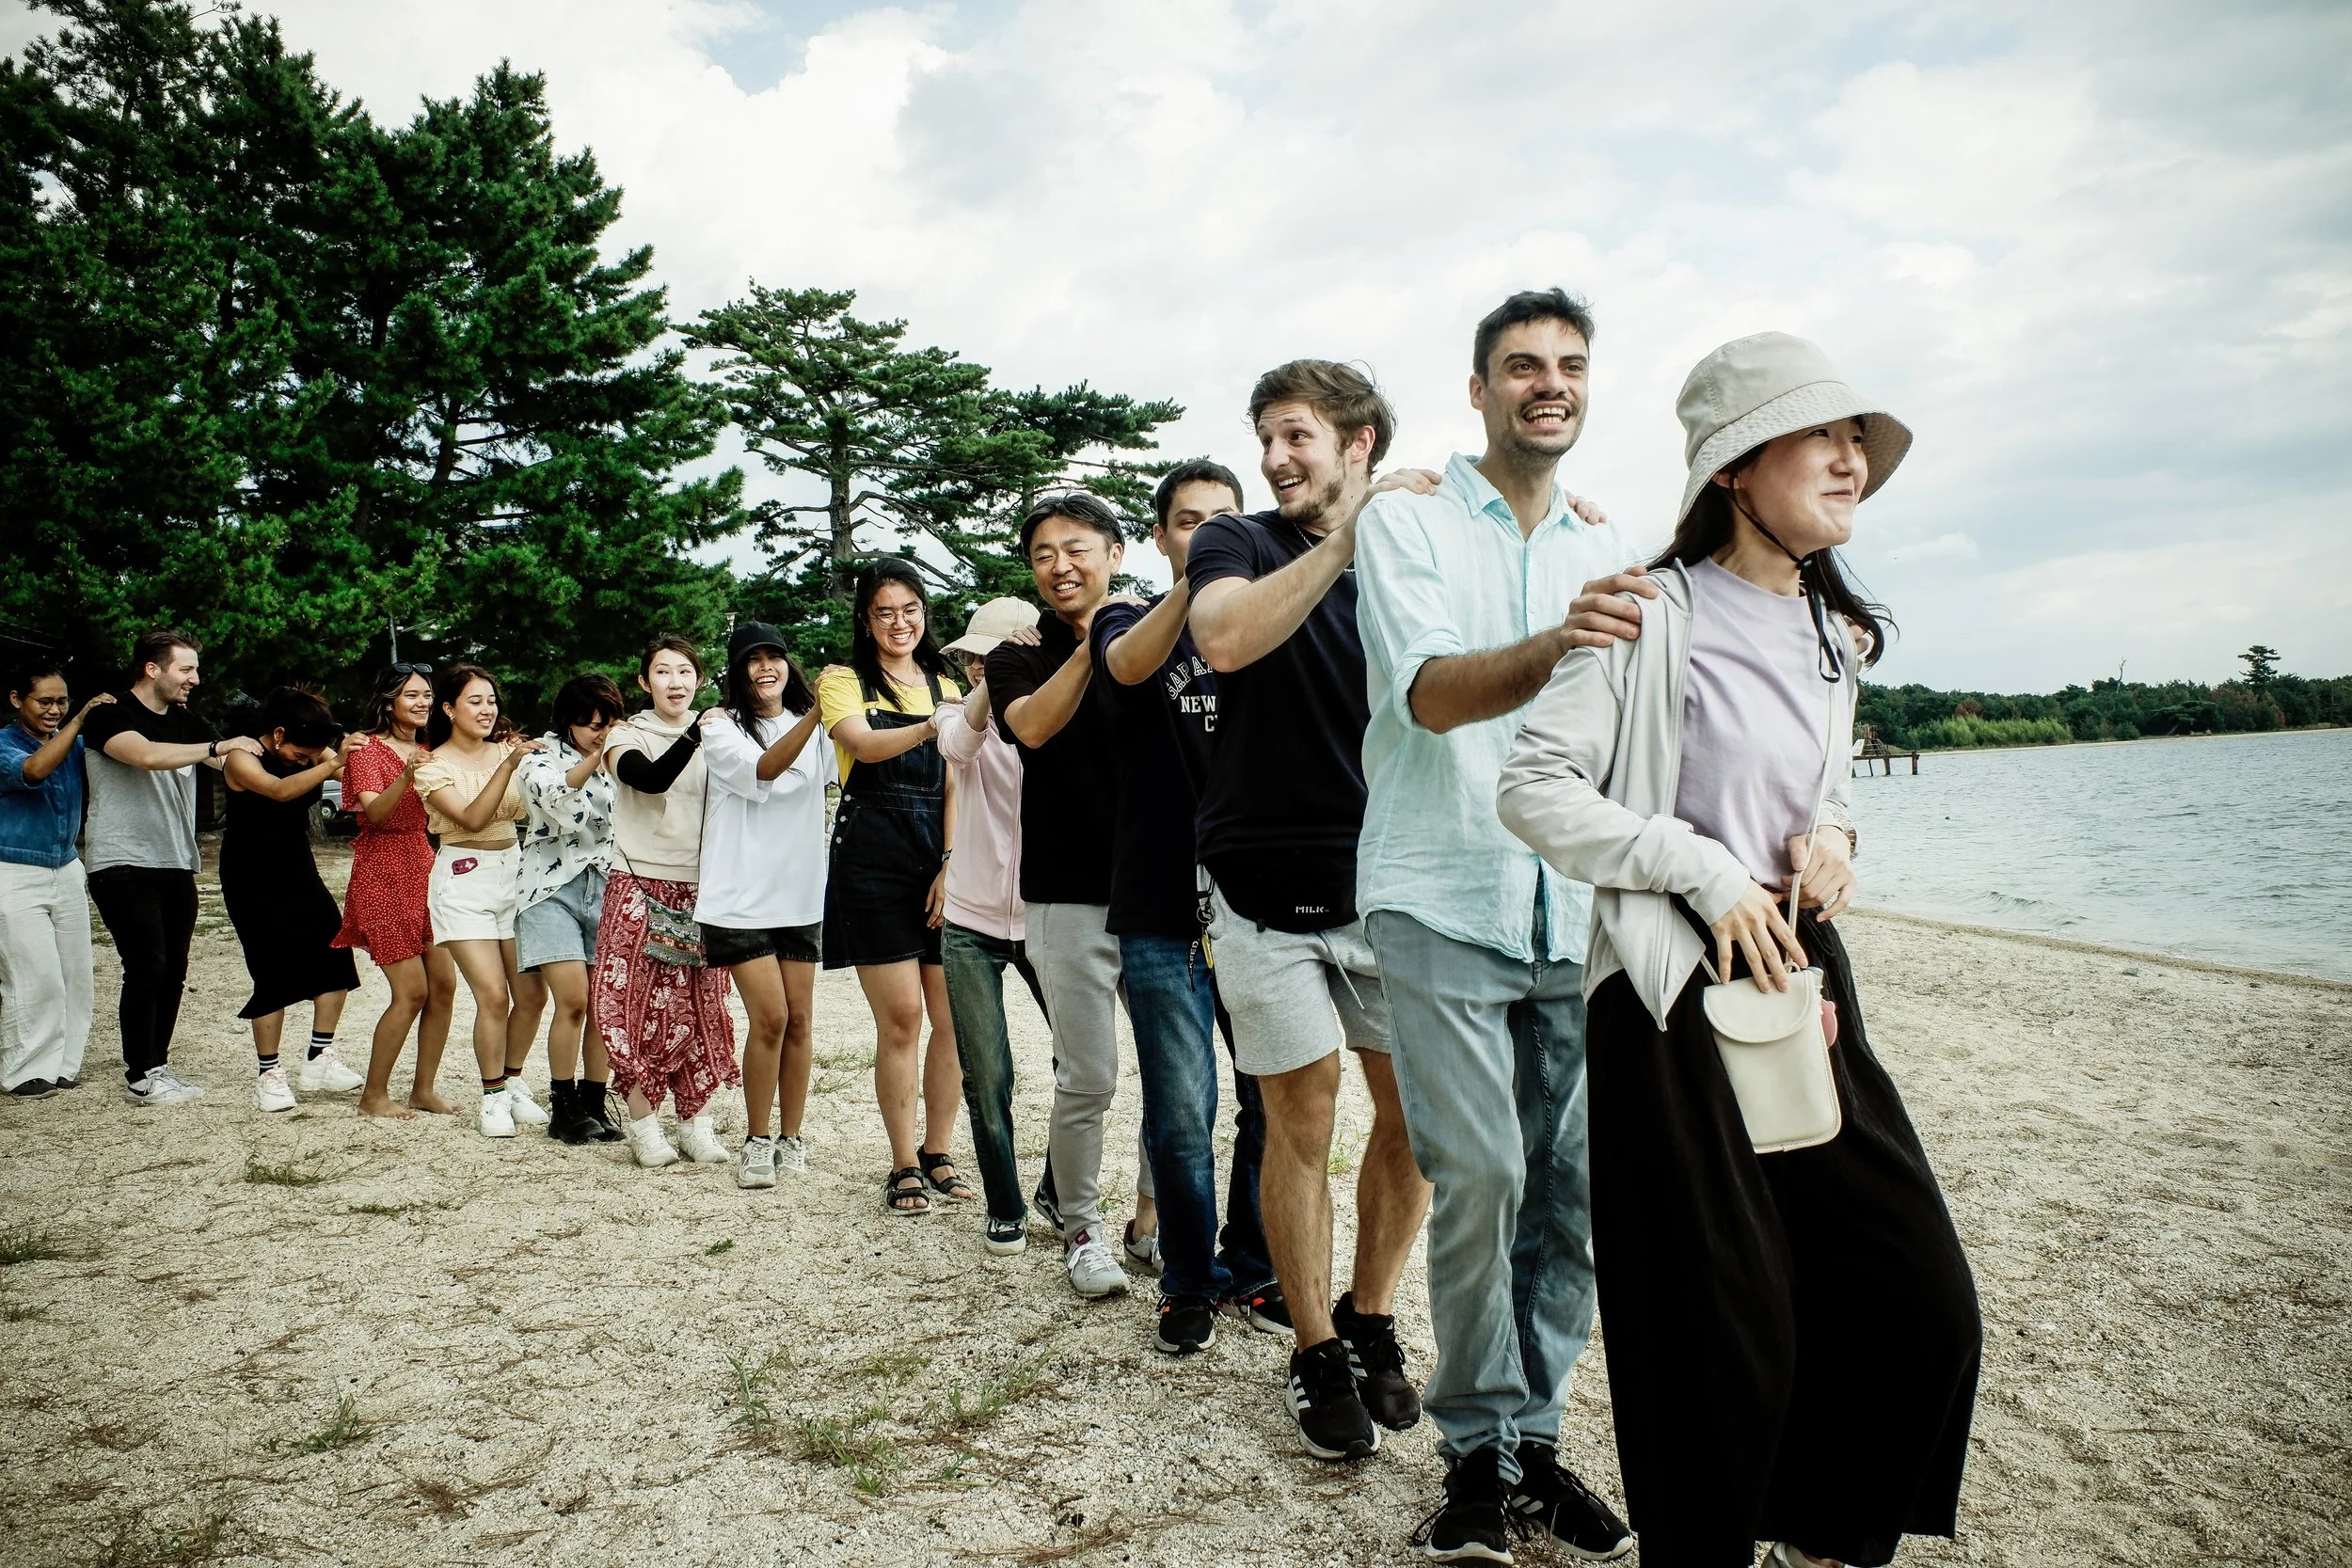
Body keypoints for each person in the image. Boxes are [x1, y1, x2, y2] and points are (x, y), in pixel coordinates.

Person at [1498, 333, 1980, 1568]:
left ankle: (1819, 1534)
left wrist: (1831, 835)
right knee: (1720, 1322)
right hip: (1667, 992)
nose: (1851, 455)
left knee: (1917, 1293)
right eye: (1821, 433)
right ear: (1735, 469)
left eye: (1857, 435)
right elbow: (1535, 790)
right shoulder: (1648, 609)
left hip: (1800, 974)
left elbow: (1814, 790)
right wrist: (1703, 868)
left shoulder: (1838, 634)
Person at [1354, 289, 1639, 1559]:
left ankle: (1538, 1440)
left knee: (1572, 1189)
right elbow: (1426, 693)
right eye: (1523, 365)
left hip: (1573, 906)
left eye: (1570, 366)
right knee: (1483, 1172)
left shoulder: (1606, 538)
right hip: (1439, 886)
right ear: (1477, 389)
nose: (1549, 384)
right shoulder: (1404, 520)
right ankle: (1475, 1456)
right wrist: (1558, 636)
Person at [1184, 361, 1438, 1461]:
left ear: (1360, 442)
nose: (1277, 458)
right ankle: (1313, 1345)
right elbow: (1225, 640)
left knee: (1417, 1117)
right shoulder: (1234, 542)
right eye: (1266, 438)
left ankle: (1373, 1314)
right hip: (1255, 880)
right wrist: (1347, 541)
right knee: (1302, 1116)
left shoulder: (1422, 545)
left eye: (1297, 437)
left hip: (1390, 877)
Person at [1093, 460, 1281, 1354]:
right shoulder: (1129, 617)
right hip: (1160, 899)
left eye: (1223, 520)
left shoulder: (1270, 610)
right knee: (1179, 1106)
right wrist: (1197, 582)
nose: (1204, 531)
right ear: (1162, 534)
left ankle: (1253, 1265)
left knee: (1273, 1100)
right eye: (1187, 521)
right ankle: (1187, 1278)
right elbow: (1126, 668)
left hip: (1261, 898)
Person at [985, 491, 1151, 1300]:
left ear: (1115, 551)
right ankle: (1081, 1225)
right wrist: (1098, 642)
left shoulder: (1164, 633)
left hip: (1158, 885)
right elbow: (1034, 728)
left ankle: (1152, 1222)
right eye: (1044, 554)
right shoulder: (1022, 652)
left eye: (1078, 547)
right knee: (1089, 1073)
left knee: (1176, 1072)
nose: (1061, 565)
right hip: (1065, 891)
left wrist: (1140, 627)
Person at [816, 562, 966, 1217]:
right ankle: (902, 1159)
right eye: (885, 611)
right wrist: (934, 724)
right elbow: (864, 746)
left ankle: (940, 1150)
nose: (900, 622)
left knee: (953, 1017)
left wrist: (952, 863)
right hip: (871, 859)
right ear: (865, 620)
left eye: (911, 608)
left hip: (938, 858)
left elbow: (959, 780)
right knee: (902, 1017)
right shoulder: (842, 681)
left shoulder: (950, 683)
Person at [80, 628, 264, 1105]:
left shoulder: (187, 721)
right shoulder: (108, 714)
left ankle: (156, 1065)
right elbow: (143, 756)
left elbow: (233, 770)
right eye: (186, 669)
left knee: (174, 968)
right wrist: (217, 748)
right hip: (121, 859)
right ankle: (140, 1075)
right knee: (146, 965)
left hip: (175, 860)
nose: (195, 679)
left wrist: (308, 758)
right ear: (152, 668)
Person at [934, 597, 1060, 1254]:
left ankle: (1058, 1187)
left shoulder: (1057, 710)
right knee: (988, 1073)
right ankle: (1005, 1203)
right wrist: (994, 677)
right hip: (970, 919)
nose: (983, 664)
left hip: (1049, 911)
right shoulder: (958, 713)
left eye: (996, 653)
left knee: (1080, 1060)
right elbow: (958, 748)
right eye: (975, 656)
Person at [697, 623, 832, 1190]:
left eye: (775, 656)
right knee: (770, 1018)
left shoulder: (820, 729)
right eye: (753, 659)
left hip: (800, 892)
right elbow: (764, 769)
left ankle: (791, 1137)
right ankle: (756, 1139)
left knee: (800, 1021)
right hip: (739, 898)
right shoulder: (719, 726)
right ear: (737, 671)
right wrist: (817, 714)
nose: (766, 667)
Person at [597, 637, 737, 1168]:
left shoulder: (722, 734)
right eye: (663, 672)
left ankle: (696, 1122)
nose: (675, 682)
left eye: (685, 671)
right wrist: (698, 734)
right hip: (638, 879)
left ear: (699, 680)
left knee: (703, 1006)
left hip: (705, 885)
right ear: (643, 682)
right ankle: (642, 1123)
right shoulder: (626, 735)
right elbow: (649, 780)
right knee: (630, 1003)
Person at [413, 664, 548, 1138]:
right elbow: (470, 819)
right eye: (474, 701)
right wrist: (508, 765)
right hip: (463, 880)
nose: (487, 709)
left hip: (516, 875)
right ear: (449, 709)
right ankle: (491, 1096)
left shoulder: (513, 751)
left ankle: (512, 1081)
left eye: (491, 700)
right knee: (492, 994)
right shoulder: (432, 765)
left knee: (533, 994)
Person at [218, 689, 362, 1113]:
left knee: (335, 954)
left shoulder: (314, 750)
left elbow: (348, 776)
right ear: (277, 734)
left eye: (312, 754)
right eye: (301, 753)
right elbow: (278, 791)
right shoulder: (243, 757)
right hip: (249, 872)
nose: (307, 759)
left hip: (297, 865)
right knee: (271, 969)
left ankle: (320, 1056)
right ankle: (269, 1074)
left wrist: (349, 753)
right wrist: (332, 762)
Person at [335, 664, 460, 1119]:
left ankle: (423, 1090)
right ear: (389, 702)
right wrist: (406, 775)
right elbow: (378, 816)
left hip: (425, 866)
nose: (423, 702)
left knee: (444, 986)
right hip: (381, 869)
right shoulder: (367, 749)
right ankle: (373, 1096)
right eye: (412, 695)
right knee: (411, 992)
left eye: (427, 695)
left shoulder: (429, 747)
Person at [514, 673, 627, 1146]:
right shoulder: (539, 759)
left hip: (607, 888)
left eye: (607, 722)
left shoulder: (623, 758)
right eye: (589, 724)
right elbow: (557, 801)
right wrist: (598, 759)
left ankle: (594, 1102)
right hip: (549, 891)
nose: (599, 732)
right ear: (569, 723)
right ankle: (563, 1104)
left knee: (603, 1007)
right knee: (574, 999)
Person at [0, 661, 110, 1097]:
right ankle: (24, 1068)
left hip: (65, 866)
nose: (55, 709)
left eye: (62, 701)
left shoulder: (76, 745)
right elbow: (33, 771)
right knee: (34, 974)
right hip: (13, 869)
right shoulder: (5, 745)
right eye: (44, 701)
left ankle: (65, 1062)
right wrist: (81, 719)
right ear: (16, 700)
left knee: (75, 973)